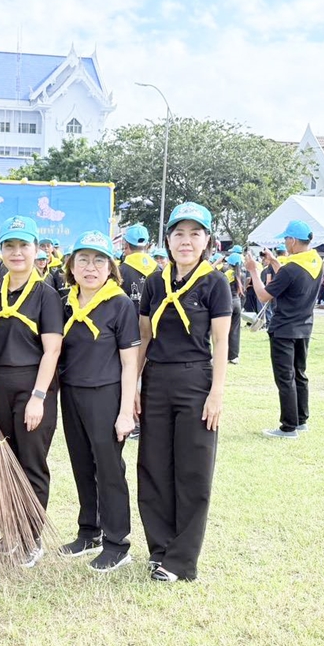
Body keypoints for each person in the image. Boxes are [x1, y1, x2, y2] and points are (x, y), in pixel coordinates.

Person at [136, 202, 230, 582]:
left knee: (193, 471)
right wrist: (136, 386)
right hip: (156, 379)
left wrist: (217, 392)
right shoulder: (154, 282)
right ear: (168, 239)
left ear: (207, 241)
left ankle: (181, 561)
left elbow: (221, 342)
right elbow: (144, 336)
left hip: (195, 381)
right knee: (153, 467)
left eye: (194, 234)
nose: (186, 241)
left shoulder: (215, 283)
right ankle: (160, 549)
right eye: (179, 233)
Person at [0, 215, 64, 565]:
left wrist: (38, 397)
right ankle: (11, 532)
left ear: (36, 249)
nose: (16, 252)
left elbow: (52, 350)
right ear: (0, 250)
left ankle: (31, 537)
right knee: (6, 465)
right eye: (9, 246)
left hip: (34, 387)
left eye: (23, 245)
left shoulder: (46, 295)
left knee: (31, 463)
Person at [56, 229, 140, 573]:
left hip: (106, 395)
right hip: (71, 393)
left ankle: (117, 543)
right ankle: (89, 531)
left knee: (109, 470)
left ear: (110, 268)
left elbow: (130, 363)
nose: (90, 268)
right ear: (71, 267)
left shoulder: (120, 304)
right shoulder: (64, 302)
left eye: (99, 260)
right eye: (83, 260)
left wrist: (125, 413)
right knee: (81, 465)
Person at [244, 219, 321, 438]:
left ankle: (288, 426)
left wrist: (254, 271)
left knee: (285, 378)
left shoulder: (291, 269)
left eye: (286, 239)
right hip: (304, 327)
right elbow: (291, 277)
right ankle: (301, 420)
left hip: (284, 329)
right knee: (299, 374)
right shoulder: (316, 261)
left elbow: (263, 295)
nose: (285, 243)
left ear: (293, 240)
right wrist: (275, 262)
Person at [117, 224, 156, 314]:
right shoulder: (161, 270)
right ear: (147, 245)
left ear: (126, 245)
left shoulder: (118, 272)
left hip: (127, 321)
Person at [223, 252, 244, 364]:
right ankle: (234, 356)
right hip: (237, 303)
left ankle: (223, 355)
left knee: (224, 330)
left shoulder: (226, 274)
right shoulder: (242, 275)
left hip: (227, 303)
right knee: (235, 331)